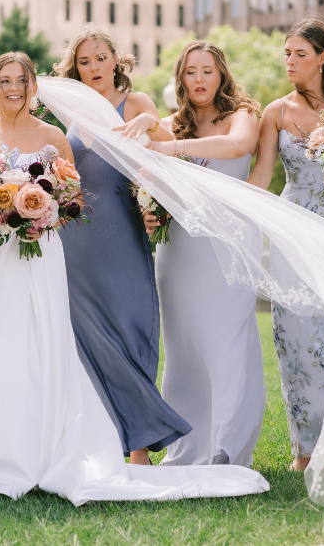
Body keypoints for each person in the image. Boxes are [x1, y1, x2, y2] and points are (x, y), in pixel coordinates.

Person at [0, 52, 268, 503]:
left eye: (21, 80)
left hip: (71, 243)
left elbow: (71, 188)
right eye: (4, 80)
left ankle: (148, 441)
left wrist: (42, 207)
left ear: (33, 86)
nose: (13, 88)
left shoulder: (58, 133)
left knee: (91, 337)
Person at [120, 40, 264, 468]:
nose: (199, 80)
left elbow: (236, 148)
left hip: (229, 244)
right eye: (190, 72)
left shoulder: (243, 115)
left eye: (207, 71)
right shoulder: (170, 125)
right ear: (180, 79)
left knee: (227, 339)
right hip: (180, 249)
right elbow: (146, 177)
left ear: (221, 74)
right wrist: (148, 207)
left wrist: (172, 148)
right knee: (183, 350)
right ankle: (188, 446)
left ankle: (226, 445)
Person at [53, 26, 191, 466]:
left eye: (100, 58)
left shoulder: (136, 103)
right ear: (76, 68)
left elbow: (172, 157)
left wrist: (151, 123)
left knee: (133, 329)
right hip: (77, 240)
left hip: (124, 235)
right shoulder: (70, 113)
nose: (94, 67)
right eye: (85, 61)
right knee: (89, 340)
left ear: (116, 60)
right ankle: (108, 441)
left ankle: (140, 447)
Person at [246, 19, 324, 472]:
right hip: (292, 226)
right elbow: (261, 176)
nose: (290, 62)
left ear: (323, 57)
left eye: (300, 54)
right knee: (295, 334)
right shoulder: (275, 112)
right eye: (287, 54)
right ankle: (306, 447)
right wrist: (235, 211)